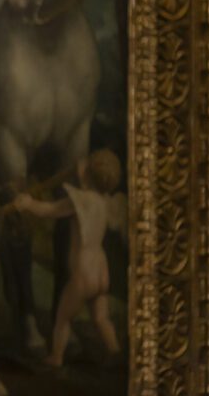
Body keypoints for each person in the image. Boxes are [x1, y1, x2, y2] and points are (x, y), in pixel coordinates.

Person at [13, 149, 126, 367]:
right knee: (101, 318)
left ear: (87, 175)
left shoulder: (80, 201)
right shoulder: (104, 202)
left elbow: (49, 210)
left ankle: (56, 357)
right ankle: (115, 352)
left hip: (84, 273)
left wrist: (27, 203)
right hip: (101, 271)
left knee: (63, 318)